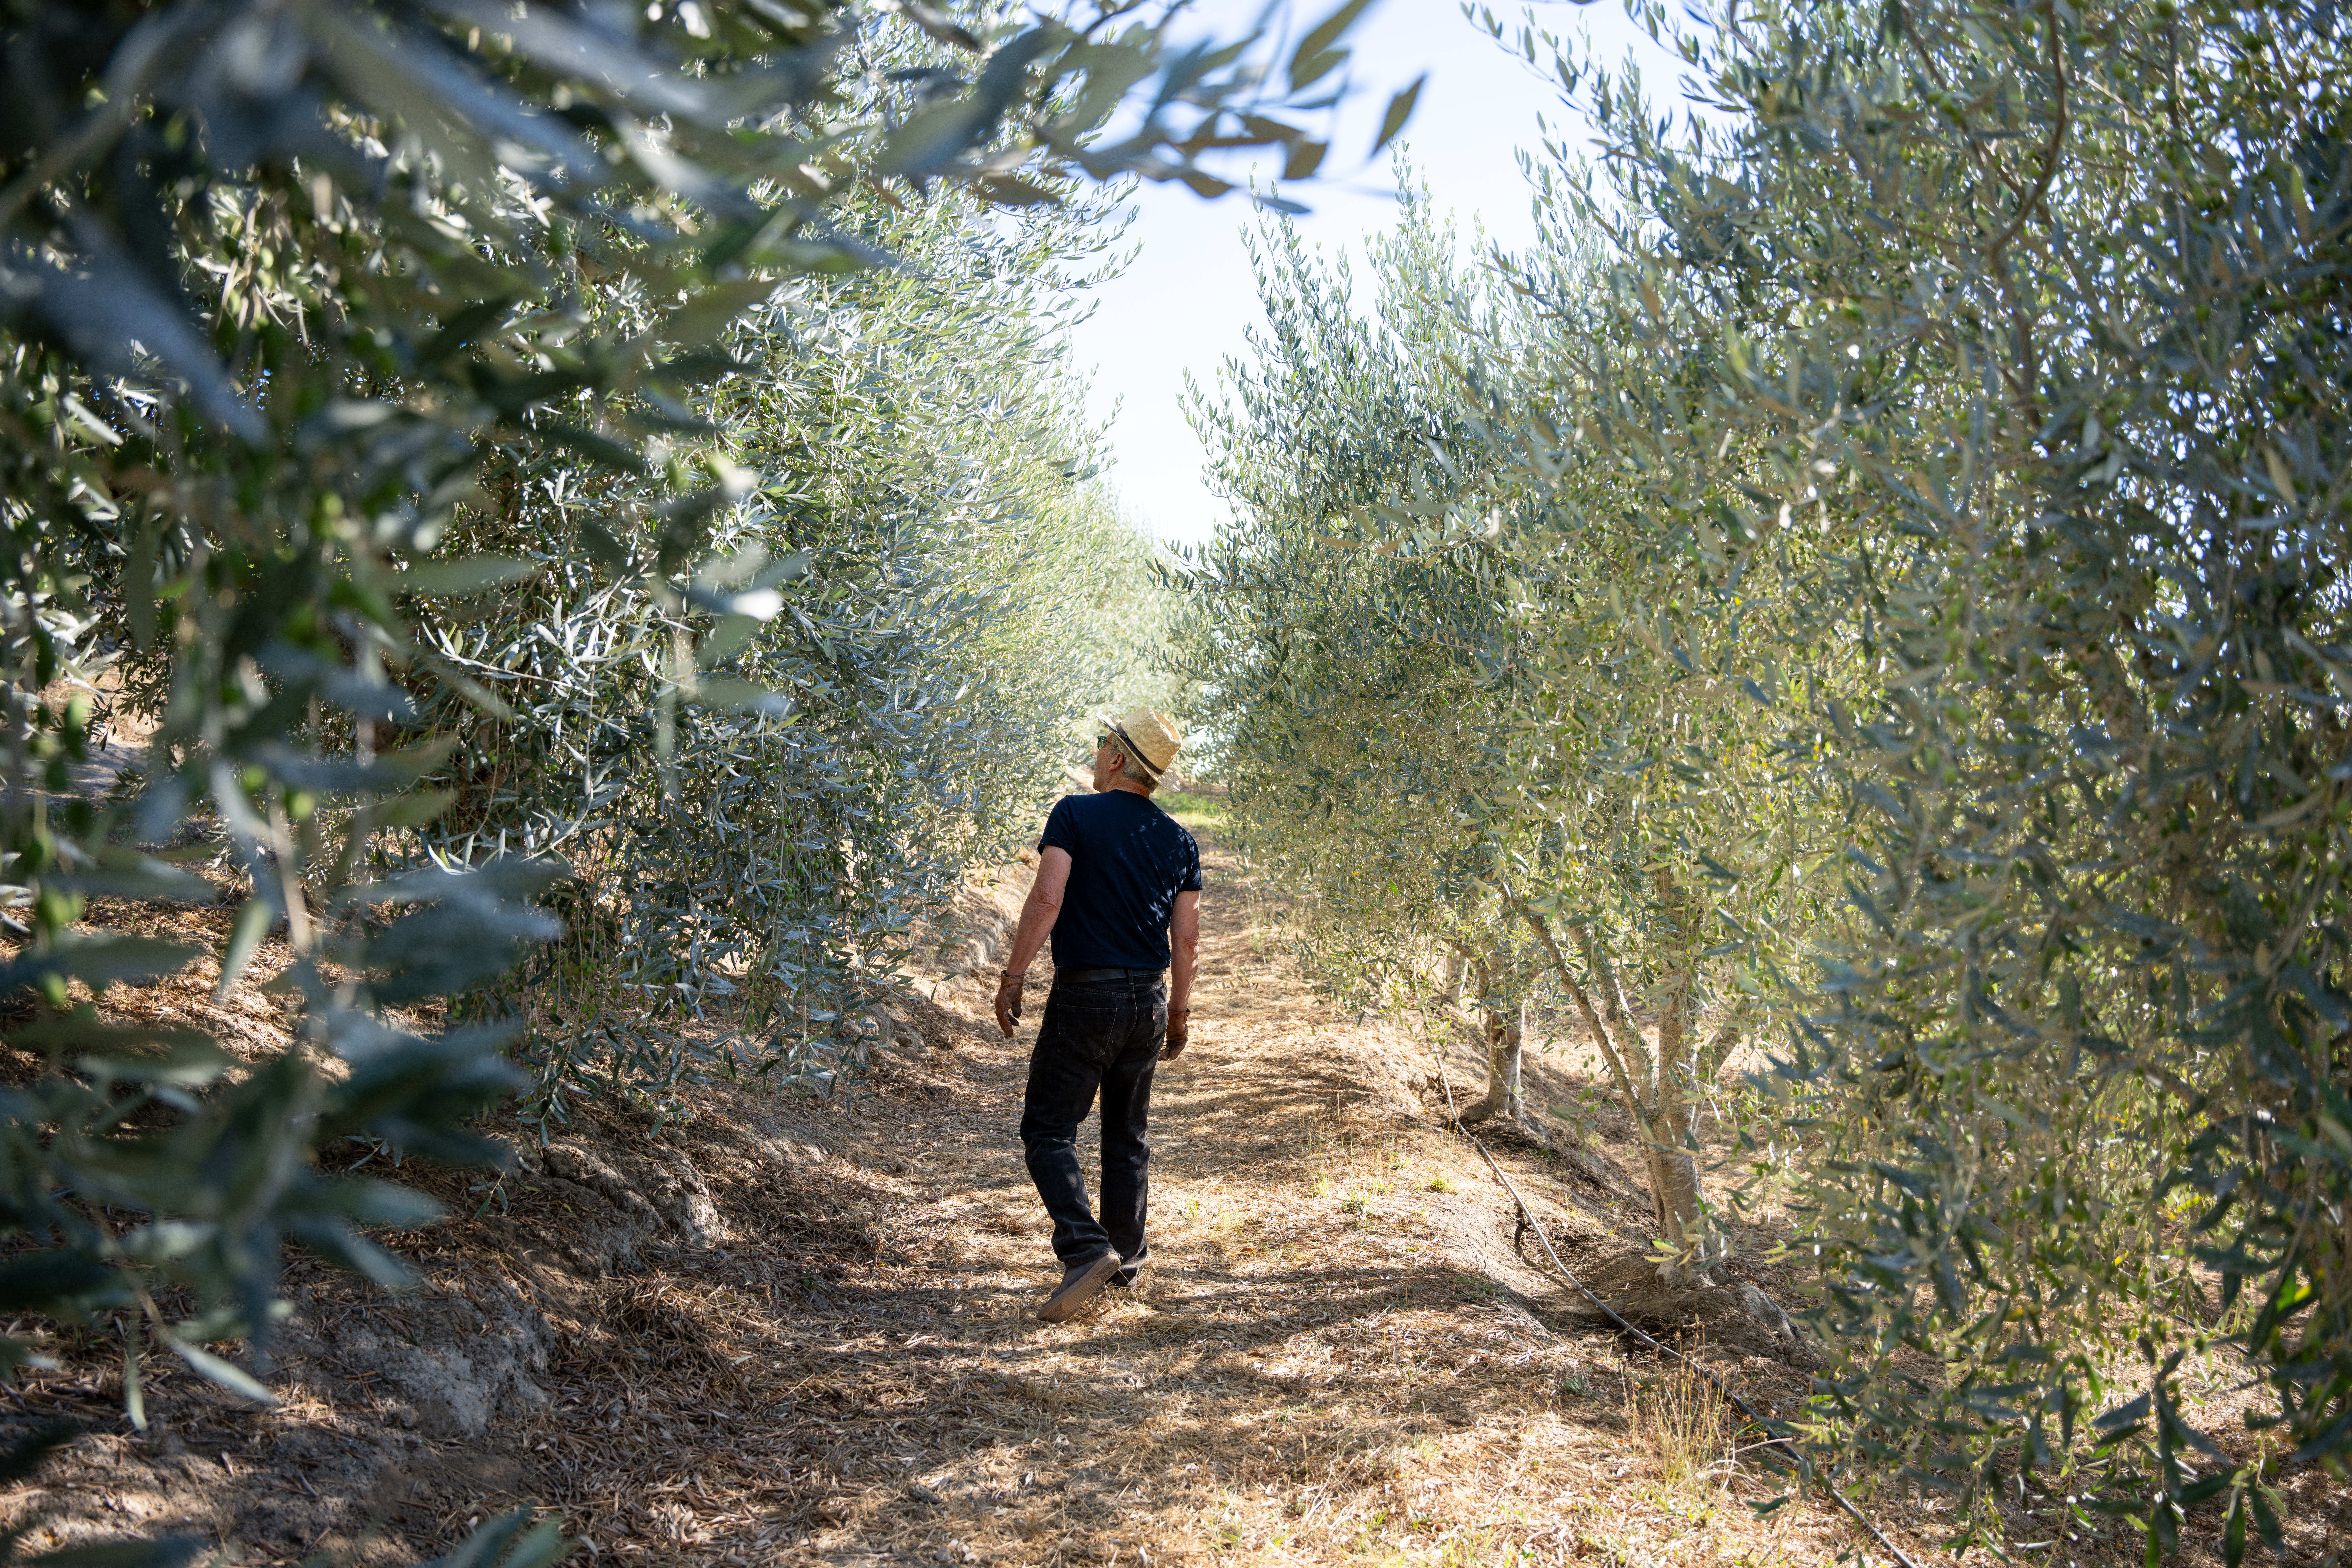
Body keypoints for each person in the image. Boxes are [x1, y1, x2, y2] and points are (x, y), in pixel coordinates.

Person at [994, 707, 1201, 1323]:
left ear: (1117, 758)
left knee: (1048, 1129)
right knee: (1126, 1134)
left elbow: (1048, 897)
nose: (1096, 750)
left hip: (1088, 996)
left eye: (1103, 742)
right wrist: (1180, 1012)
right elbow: (1186, 941)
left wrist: (1013, 974)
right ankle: (1126, 1262)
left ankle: (1086, 1249)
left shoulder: (1075, 815)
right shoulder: (1179, 840)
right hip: (1149, 1001)